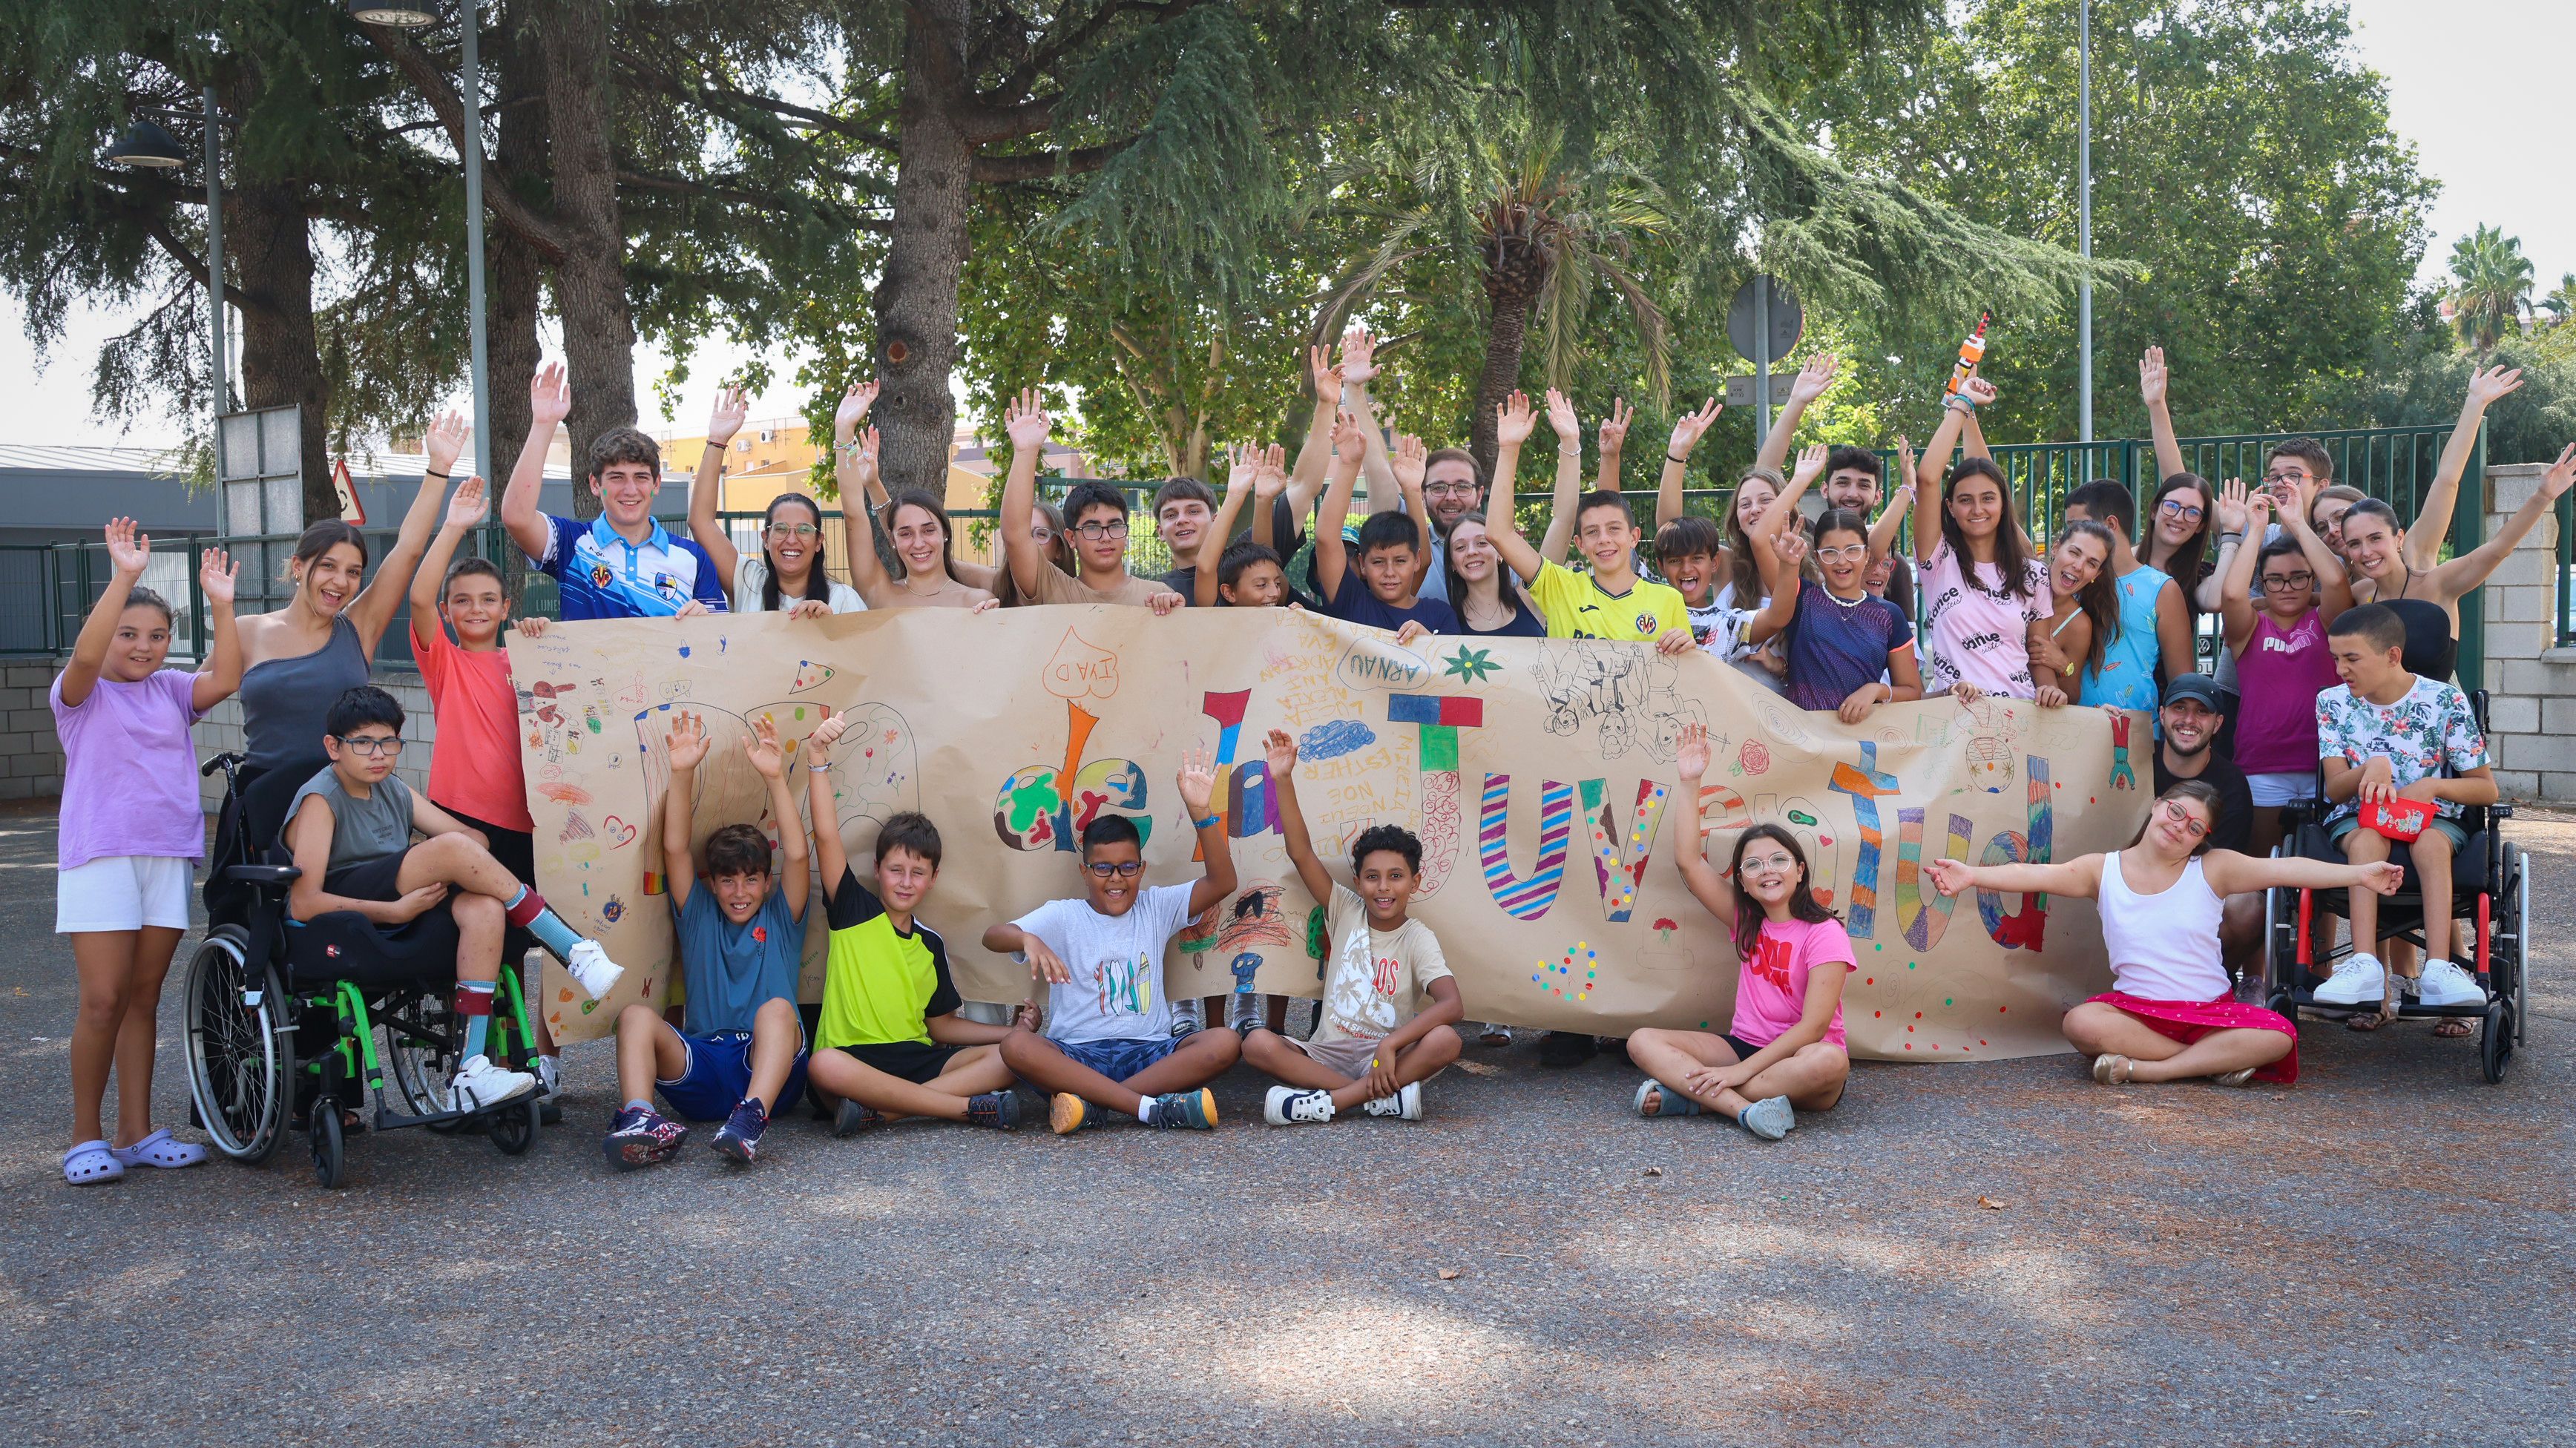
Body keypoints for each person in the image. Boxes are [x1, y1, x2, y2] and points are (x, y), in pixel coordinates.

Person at [1928, 780, 2401, 1087]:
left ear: (2203, 838)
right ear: (2157, 807)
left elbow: (2285, 867)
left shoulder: (2213, 869)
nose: (2179, 827)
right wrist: (1972, 875)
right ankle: (2210, 1063)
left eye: (2195, 826)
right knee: (2081, 1023)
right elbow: (2035, 875)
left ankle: (2153, 1071)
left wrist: (2359, 875)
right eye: (2176, 812)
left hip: (2208, 1011)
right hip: (2138, 1013)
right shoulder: (2103, 870)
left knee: (2280, 1034)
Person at [283, 687, 620, 1108]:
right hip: (347, 908)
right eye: (363, 743)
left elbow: (470, 839)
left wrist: (460, 860)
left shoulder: (394, 789)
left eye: (389, 742)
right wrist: (397, 906)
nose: (378, 754)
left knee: (484, 908)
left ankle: (469, 1070)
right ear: (333, 747)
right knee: (453, 849)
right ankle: (570, 947)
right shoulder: (321, 798)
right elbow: (304, 902)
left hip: (400, 895)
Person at [53, 524, 242, 1185]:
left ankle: (134, 1132)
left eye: (156, 637)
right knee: (102, 999)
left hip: (168, 855)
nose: (142, 647)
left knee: (142, 997)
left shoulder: (169, 692)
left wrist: (220, 602)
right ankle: (86, 1137)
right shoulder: (80, 694)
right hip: (101, 857)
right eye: (128, 634)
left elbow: (227, 676)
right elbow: (83, 658)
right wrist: (125, 579)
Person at [224, 412, 458, 879]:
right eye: (328, 566)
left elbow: (407, 550)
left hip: (352, 796)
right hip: (274, 807)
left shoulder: (358, 628)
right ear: (298, 566)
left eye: (353, 572)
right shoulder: (246, 630)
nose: (340, 581)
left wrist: (438, 470)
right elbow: (195, 694)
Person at [409, 476, 568, 1111]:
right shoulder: (443, 660)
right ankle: (480, 1066)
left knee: (534, 950)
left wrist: (539, 639)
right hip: (463, 827)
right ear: (450, 612)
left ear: (507, 607)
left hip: (529, 825)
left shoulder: (526, 658)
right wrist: (452, 526)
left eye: (488, 600)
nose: (475, 609)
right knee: (480, 943)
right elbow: (419, 597)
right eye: (463, 601)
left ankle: (536, 1067)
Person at [990, 749, 1241, 1133]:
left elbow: (1223, 882)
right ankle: (1149, 1109)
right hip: (1077, 1057)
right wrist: (1028, 940)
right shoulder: (1064, 915)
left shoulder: (1156, 906)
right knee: (1016, 1047)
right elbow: (993, 936)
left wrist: (1201, 813)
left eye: (1127, 867)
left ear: (1141, 868)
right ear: (1084, 871)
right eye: (1103, 868)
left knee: (1224, 1042)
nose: (1116, 879)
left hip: (1149, 1053)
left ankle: (1095, 1106)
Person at [797, 711, 1023, 1135]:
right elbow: (826, 836)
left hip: (916, 1060)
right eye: (895, 869)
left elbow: (942, 1026)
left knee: (1012, 1055)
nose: (905, 882)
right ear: (877, 868)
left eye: (917, 873)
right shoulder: (852, 911)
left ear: (933, 879)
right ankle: (962, 1109)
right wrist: (817, 757)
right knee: (823, 1064)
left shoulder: (931, 944)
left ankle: (884, 1115)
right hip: (853, 1061)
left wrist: (1005, 1035)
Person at [603, 710, 812, 1168]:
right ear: (712, 883)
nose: (740, 893)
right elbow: (674, 848)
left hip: (766, 1068)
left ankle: (751, 1118)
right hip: (702, 1061)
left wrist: (776, 778)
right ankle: (641, 1119)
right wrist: (682, 772)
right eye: (728, 881)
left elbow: (797, 856)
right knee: (636, 1016)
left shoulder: (782, 920)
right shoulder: (698, 915)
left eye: (752, 880)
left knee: (777, 1010)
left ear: (766, 882)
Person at [1629, 724, 1851, 1140]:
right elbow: (1688, 861)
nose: (1767, 870)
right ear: (1744, 883)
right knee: (1642, 1041)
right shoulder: (1746, 920)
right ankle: (1742, 1112)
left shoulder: (1825, 933)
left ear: (1800, 871)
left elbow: (1814, 1028)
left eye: (1779, 860)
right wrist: (1689, 781)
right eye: (1753, 865)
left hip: (1797, 1059)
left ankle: (1695, 1097)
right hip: (1743, 1045)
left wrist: (1737, 1073)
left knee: (1830, 1063)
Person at [1243, 731, 1464, 1124]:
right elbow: (1300, 852)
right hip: (1327, 1054)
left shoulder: (1417, 937)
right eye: (1372, 877)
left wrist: (1392, 1044)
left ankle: (1330, 1104)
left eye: (1396, 876)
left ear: (1414, 883)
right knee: (1257, 1043)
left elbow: (1452, 1005)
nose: (1383, 887)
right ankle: (1374, 1099)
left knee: (1446, 1040)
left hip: (1385, 1055)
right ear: (1358, 882)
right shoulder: (1345, 908)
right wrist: (1282, 780)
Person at [2309, 605, 2500, 1028]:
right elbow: (2336, 789)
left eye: (2352, 658)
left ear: (2392, 656)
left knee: (2431, 842)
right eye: (2336, 658)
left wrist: (2433, 786)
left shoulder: (2444, 700)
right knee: (2366, 840)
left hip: (2431, 817)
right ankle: (2363, 966)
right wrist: (2371, 767)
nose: (2341, 669)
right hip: (2359, 816)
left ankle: (2438, 970)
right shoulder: (2332, 703)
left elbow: (2485, 788)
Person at [2336, 438, 2576, 684]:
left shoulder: (2437, 583)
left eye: (2375, 538)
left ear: (2399, 538)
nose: (2366, 552)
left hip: (2441, 715)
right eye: (2355, 544)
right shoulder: (2359, 594)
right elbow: (2305, 598)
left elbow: (2497, 548)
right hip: (2380, 718)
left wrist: (2543, 496)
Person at [500, 363, 728, 619]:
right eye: (617, 477)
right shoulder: (572, 543)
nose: (630, 490)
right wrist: (543, 424)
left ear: (656, 485)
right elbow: (516, 517)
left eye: (641, 477)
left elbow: (720, 644)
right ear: (595, 485)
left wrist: (706, 622)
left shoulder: (692, 556)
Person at [1485, 391, 1692, 651]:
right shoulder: (1560, 588)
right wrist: (1509, 449)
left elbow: (1683, 678)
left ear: (1634, 537)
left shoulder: (1668, 599)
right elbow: (1498, 533)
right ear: (1580, 544)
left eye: (1614, 528)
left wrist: (1687, 648)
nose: (1604, 539)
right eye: (1592, 532)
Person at [2216, 483, 2351, 853]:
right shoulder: (2249, 627)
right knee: (2266, 875)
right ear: (2264, 582)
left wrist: (2296, 522)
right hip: (2262, 765)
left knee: (2321, 881)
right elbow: (2231, 594)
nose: (2287, 587)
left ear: (2312, 579)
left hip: (2326, 766)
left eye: (2299, 577)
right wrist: (2256, 529)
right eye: (2275, 579)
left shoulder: (2326, 621)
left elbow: (2338, 581)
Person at [1741, 459, 1923, 720]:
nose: (1841, 561)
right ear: (1816, 556)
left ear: (1867, 554)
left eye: (1852, 550)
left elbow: (1912, 691)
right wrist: (1800, 480)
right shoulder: (1801, 598)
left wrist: (1876, 690)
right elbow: (1760, 539)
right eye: (1830, 552)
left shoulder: (1888, 615)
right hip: (1805, 741)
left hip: (1861, 742)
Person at [1910, 378, 2050, 700]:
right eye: (1965, 500)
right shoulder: (1938, 560)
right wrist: (1963, 402)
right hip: (1955, 722)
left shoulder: (2033, 573)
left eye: (1988, 498)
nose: (1977, 509)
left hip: (2022, 719)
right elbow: (1928, 477)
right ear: (1950, 507)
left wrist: (2050, 690)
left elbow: (2040, 654)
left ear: (2003, 504)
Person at [998, 389, 1185, 611]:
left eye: (1115, 526)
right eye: (1092, 528)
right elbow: (1015, 536)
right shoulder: (1053, 589)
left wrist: (1173, 612)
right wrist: (1026, 452)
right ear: (1071, 538)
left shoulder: (1157, 595)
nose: (1105, 537)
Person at [686, 384, 864, 615]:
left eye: (803, 529)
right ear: (766, 539)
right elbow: (700, 521)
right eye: (780, 529)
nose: (792, 539)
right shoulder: (747, 582)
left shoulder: (842, 599)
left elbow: (862, 649)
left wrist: (832, 630)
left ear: (819, 541)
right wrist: (717, 440)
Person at [2152, 674, 2261, 973]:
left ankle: (2214, 982)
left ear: (2218, 723)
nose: (2189, 720)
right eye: (2179, 708)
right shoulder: (2133, 758)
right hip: (2131, 883)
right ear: (2162, 715)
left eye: (2202, 711)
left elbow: (2218, 864)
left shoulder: (2232, 783)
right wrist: (2106, 725)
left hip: (2194, 891)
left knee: (2247, 905)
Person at [1312, 407, 1453, 634]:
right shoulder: (1352, 602)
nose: (1390, 572)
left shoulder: (1440, 614)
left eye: (1400, 561)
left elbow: (1451, 667)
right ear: (1362, 564)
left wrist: (1412, 490)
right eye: (1378, 562)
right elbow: (1326, 538)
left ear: (1415, 560)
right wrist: (1348, 466)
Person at [835, 420, 999, 611]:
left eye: (928, 530)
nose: (919, 543)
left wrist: (993, 625)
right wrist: (843, 429)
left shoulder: (977, 601)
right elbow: (853, 514)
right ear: (892, 540)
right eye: (906, 533)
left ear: (945, 533)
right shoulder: (880, 594)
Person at [2062, 478, 2195, 711]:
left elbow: (2182, 684)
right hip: (2068, 726)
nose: (2071, 535)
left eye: (2078, 526)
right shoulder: (2068, 582)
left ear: (2110, 524)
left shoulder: (2161, 588)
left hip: (2134, 732)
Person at [2025, 521, 2119, 704]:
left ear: (2097, 575)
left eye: (2091, 563)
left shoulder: (2079, 625)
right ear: (2056, 548)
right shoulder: (2022, 579)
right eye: (2074, 553)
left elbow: (2073, 697)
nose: (2078, 566)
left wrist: (2063, 665)